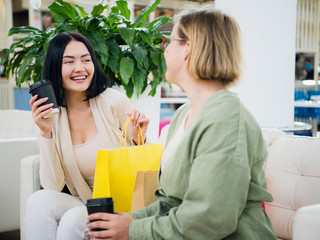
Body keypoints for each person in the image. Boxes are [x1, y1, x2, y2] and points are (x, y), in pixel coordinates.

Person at [87, 6, 277, 240]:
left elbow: (209, 221)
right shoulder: (184, 115)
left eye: (170, 41)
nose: (164, 50)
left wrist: (133, 230)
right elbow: (171, 202)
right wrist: (125, 220)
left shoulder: (226, 120)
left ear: (188, 48)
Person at [25, 31, 149, 239]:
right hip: (84, 201)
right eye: (69, 61)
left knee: (74, 220)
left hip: (119, 202)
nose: (80, 68)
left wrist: (139, 138)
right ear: (56, 67)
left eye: (86, 60)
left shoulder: (113, 101)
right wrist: (45, 132)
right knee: (38, 200)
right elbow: (53, 186)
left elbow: (144, 167)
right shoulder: (53, 115)